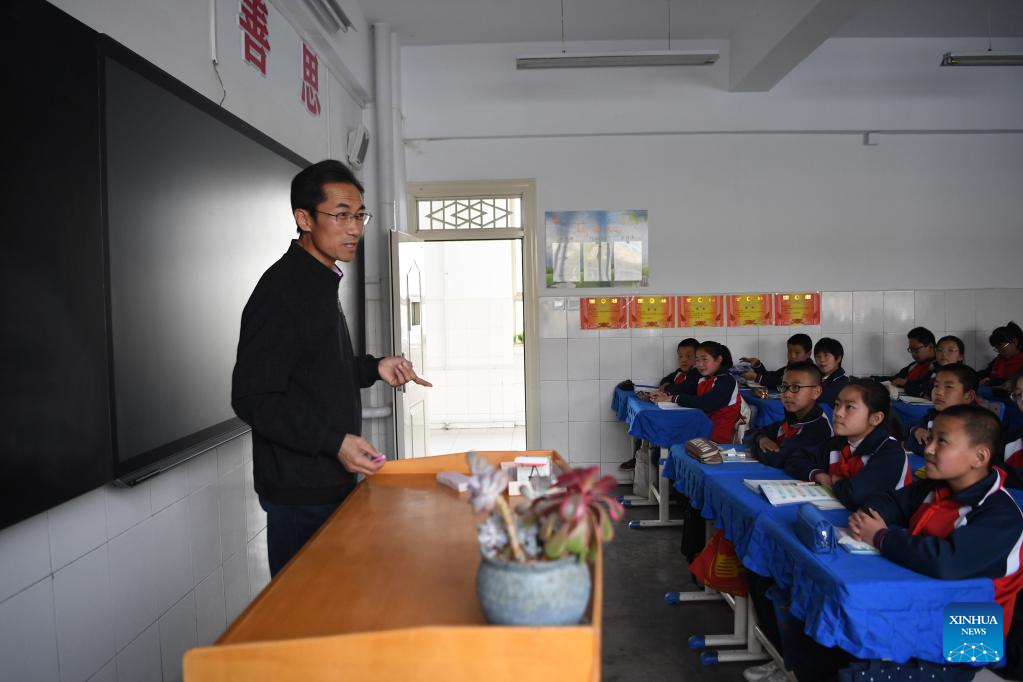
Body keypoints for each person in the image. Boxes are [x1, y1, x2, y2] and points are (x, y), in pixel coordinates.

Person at [232, 159, 431, 577]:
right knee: (307, 607)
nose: (354, 228)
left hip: (327, 480)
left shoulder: (319, 280)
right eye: (341, 215)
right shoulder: (283, 291)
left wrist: (375, 367)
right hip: (300, 493)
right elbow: (253, 398)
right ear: (304, 219)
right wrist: (334, 442)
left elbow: (317, 370)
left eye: (359, 215)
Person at [785, 379, 911, 510]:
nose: (838, 413)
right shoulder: (839, 442)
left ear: (875, 418)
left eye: (849, 407)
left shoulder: (890, 453)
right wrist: (820, 476)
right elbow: (795, 459)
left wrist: (835, 480)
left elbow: (854, 496)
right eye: (837, 404)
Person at [621, 337, 700, 471]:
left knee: (653, 434)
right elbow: (665, 380)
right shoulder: (679, 373)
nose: (684, 360)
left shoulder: (696, 374)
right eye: (680, 356)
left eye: (688, 356)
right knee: (644, 422)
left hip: (683, 419)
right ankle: (638, 456)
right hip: (671, 414)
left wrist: (668, 388)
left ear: (697, 358)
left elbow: (686, 388)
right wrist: (666, 384)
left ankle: (646, 459)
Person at [742, 361, 832, 469]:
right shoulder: (792, 420)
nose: (787, 394)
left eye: (796, 387)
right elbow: (748, 434)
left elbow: (778, 458)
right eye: (784, 387)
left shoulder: (819, 429)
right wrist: (761, 439)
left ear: (816, 392)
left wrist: (754, 448)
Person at [651, 340, 740, 444]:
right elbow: (686, 390)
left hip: (717, 438)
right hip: (701, 431)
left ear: (718, 360)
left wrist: (670, 398)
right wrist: (665, 395)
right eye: (697, 360)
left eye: (704, 359)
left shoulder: (726, 381)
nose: (700, 364)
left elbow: (706, 403)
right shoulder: (704, 378)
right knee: (663, 431)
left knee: (667, 435)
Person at [904, 363, 978, 456]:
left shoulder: (973, 425)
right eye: (936, 386)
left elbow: (937, 451)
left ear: (968, 396)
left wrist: (909, 443)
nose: (938, 392)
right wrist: (916, 430)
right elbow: (908, 427)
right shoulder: (936, 414)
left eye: (948, 387)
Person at [904, 334, 967, 400]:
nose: (944, 354)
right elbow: (912, 386)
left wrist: (924, 392)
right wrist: (923, 393)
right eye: (940, 350)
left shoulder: (963, 376)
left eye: (950, 350)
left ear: (960, 357)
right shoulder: (933, 372)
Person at [740, 333, 812, 389]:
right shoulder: (789, 368)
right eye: (789, 351)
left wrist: (757, 377)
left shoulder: (809, 372)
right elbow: (773, 376)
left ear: (808, 354)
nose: (792, 356)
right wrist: (757, 365)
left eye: (797, 353)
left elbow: (780, 382)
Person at [890, 327, 936, 392]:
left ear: (930, 347)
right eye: (911, 350)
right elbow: (895, 379)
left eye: (916, 349)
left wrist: (906, 383)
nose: (913, 354)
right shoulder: (914, 365)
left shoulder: (938, 367)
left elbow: (928, 387)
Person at [980, 321, 1023, 388]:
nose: (1000, 351)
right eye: (997, 348)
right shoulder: (999, 359)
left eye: (1002, 347)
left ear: (1015, 342)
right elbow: (986, 373)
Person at [812, 337, 849, 406]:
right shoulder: (816, 378)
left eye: (826, 355)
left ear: (838, 359)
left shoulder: (843, 382)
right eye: (818, 356)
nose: (822, 360)